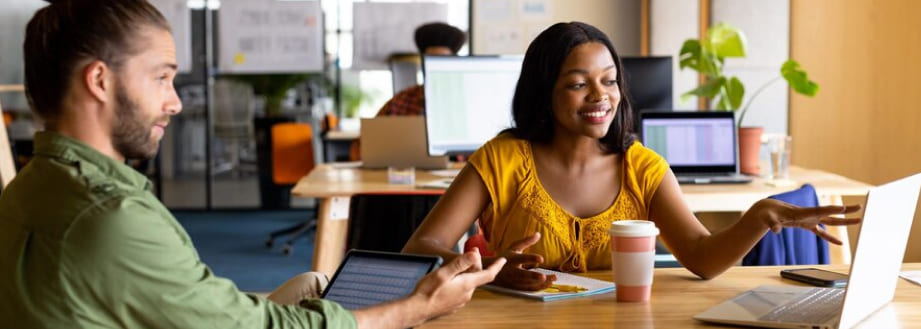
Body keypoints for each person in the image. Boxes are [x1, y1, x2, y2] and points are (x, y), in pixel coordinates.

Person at [0, 1, 504, 328]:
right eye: (161, 78)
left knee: (312, 284)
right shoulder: (110, 217)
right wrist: (417, 308)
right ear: (100, 81)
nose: (174, 102)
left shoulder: (31, 187)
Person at [402, 21, 860, 291]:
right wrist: (491, 272)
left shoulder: (642, 166)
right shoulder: (501, 159)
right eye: (579, 83)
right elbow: (420, 248)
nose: (600, 96)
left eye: (609, 80)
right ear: (545, 93)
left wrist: (758, 218)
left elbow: (700, 257)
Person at [375, 22, 466, 117]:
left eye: (442, 59)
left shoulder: (466, 99)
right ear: (422, 62)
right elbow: (375, 129)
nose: (435, 67)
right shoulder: (400, 102)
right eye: (431, 59)